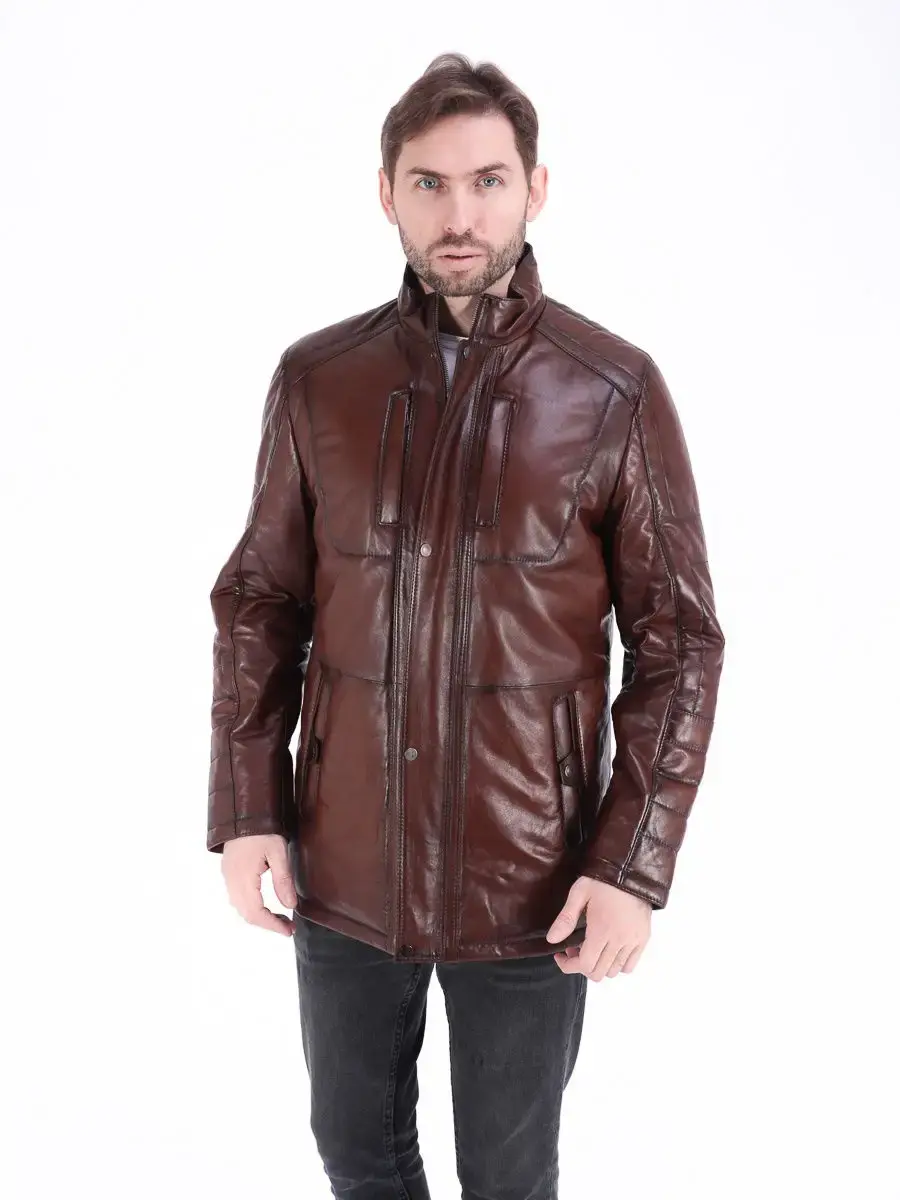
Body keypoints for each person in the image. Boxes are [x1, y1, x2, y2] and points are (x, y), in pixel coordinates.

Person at [205, 51, 725, 1200]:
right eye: (430, 183)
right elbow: (260, 602)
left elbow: (681, 642)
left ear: (535, 188)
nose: (460, 214)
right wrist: (249, 810)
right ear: (385, 194)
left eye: (488, 181)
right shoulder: (318, 381)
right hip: (345, 862)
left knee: (507, 1178)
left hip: (533, 878)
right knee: (357, 1155)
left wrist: (631, 865)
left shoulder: (612, 391)